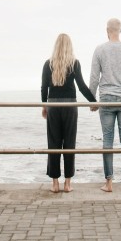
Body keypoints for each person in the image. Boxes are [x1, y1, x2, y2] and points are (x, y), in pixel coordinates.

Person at [89, 17, 121, 193]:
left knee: (108, 140)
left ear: (107, 30)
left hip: (107, 99)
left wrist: (92, 101)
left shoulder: (100, 50)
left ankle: (109, 183)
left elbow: (94, 77)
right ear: (120, 30)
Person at [41, 33, 97, 193]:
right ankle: (67, 183)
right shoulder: (74, 63)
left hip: (53, 106)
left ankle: (54, 184)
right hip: (70, 106)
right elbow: (81, 86)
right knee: (69, 143)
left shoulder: (48, 64)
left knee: (54, 143)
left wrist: (44, 106)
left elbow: (44, 87)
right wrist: (93, 102)